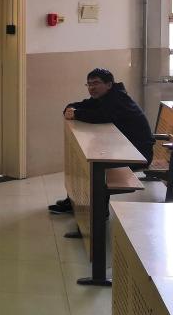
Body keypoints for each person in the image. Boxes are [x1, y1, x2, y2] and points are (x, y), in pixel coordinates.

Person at [47, 69, 153, 215]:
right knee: (82, 162)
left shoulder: (117, 99)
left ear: (109, 84)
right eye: (89, 84)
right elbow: (84, 105)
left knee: (94, 167)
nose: (92, 88)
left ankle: (98, 216)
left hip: (138, 154)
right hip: (124, 148)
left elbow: (102, 116)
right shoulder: (105, 96)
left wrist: (76, 114)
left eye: (96, 83)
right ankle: (75, 202)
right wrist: (70, 108)